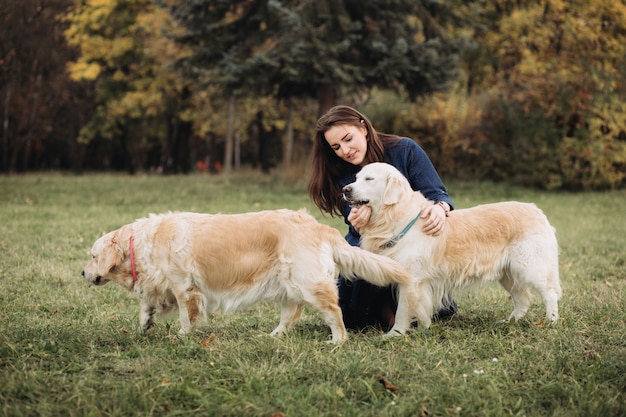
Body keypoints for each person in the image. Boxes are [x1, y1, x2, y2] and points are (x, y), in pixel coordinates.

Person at [308, 105, 458, 331]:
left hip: (412, 239)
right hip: (367, 239)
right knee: (353, 319)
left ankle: (409, 306)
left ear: (363, 127)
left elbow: (437, 193)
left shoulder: (405, 150)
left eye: (348, 139)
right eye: (336, 147)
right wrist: (358, 216)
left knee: (438, 312)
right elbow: (353, 219)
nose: (345, 151)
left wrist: (440, 207)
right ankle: (382, 306)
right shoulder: (338, 171)